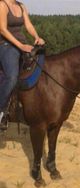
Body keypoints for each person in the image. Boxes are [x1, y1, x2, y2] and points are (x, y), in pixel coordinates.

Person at [0, 0, 45, 130]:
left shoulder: (21, 6)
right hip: (5, 44)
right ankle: (1, 110)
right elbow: (2, 29)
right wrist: (20, 46)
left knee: (40, 65)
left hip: (22, 43)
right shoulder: (2, 5)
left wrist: (37, 37)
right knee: (12, 77)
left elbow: (28, 25)